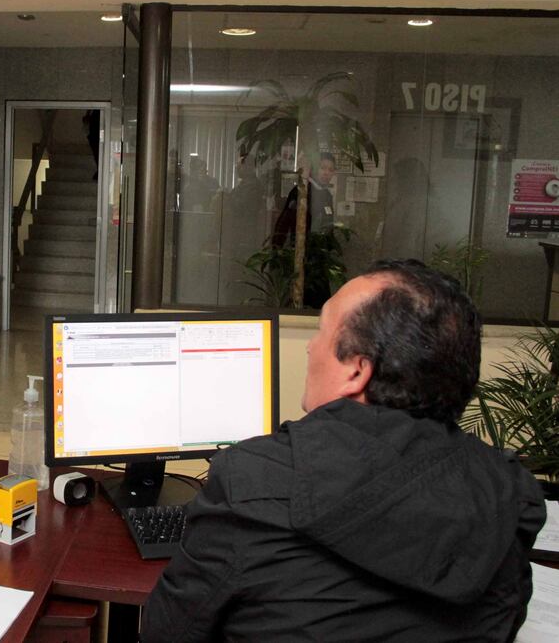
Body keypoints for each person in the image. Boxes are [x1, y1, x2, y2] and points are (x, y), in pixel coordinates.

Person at [141, 259, 545, 642]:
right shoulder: (509, 492)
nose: (310, 348)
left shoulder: (253, 480)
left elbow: (169, 632)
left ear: (356, 370)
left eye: (321, 332)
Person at [271, 150, 336, 247]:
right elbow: (283, 224)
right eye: (322, 168)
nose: (326, 173)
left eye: (330, 170)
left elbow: (328, 225)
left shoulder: (327, 195)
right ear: (313, 169)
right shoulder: (300, 190)